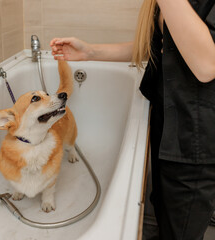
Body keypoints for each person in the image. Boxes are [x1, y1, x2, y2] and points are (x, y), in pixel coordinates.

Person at [50, 0, 215, 240]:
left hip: (195, 136)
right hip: (167, 119)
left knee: (181, 227)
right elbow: (160, 46)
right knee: (162, 206)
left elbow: (206, 65)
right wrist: (90, 52)